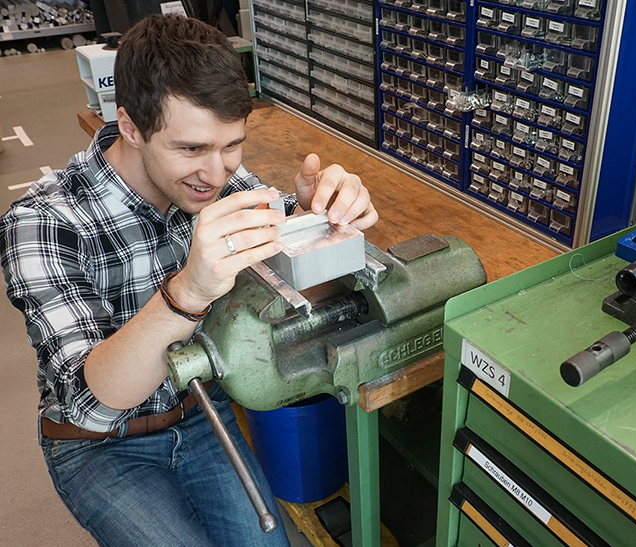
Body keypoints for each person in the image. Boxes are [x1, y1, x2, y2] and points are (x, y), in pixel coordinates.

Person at [0, 13, 378, 547]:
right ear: (131, 126)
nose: (217, 173)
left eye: (232, 145)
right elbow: (94, 401)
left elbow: (287, 242)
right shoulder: (42, 223)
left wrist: (317, 219)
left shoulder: (217, 182)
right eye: (192, 149)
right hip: (99, 445)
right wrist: (189, 292)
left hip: (203, 412)